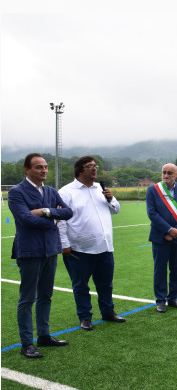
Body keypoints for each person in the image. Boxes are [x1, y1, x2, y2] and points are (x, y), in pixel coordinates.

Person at [8, 153, 73, 358]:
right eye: (38, 167)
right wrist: (54, 218)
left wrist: (45, 211)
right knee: (27, 298)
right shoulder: (17, 192)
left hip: (50, 250)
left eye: (45, 167)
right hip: (29, 251)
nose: (44, 170)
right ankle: (27, 343)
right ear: (27, 170)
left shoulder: (51, 191)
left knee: (46, 295)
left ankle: (44, 336)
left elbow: (68, 212)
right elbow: (26, 220)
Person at [58, 156, 126, 331]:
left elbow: (116, 210)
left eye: (95, 166)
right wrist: (64, 244)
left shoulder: (100, 189)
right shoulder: (66, 192)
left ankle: (108, 312)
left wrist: (111, 199)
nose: (95, 169)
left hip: (104, 247)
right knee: (80, 285)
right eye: (90, 166)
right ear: (80, 170)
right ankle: (85, 317)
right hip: (79, 249)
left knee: (105, 284)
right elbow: (60, 221)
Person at [146, 163, 177, 313]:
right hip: (160, 236)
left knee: (176, 269)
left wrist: (175, 231)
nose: (166, 175)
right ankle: (160, 300)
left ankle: (173, 298)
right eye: (164, 172)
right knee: (160, 269)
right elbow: (152, 213)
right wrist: (168, 230)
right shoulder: (153, 190)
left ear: (176, 175)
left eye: (170, 173)